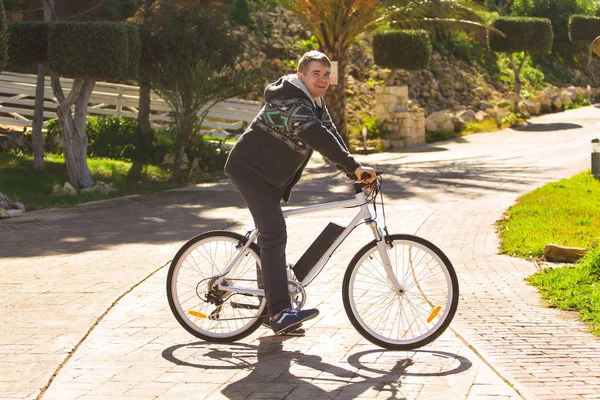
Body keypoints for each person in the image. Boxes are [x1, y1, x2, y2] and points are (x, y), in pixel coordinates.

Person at [224, 50, 376, 335]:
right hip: (249, 171)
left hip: (269, 176)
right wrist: (354, 167)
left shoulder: (315, 101)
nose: (322, 79)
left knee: (271, 234)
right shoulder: (289, 99)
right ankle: (280, 312)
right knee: (273, 234)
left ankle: (270, 309)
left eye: (326, 74)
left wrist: (353, 171)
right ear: (301, 75)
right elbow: (315, 134)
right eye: (316, 73)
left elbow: (330, 134)